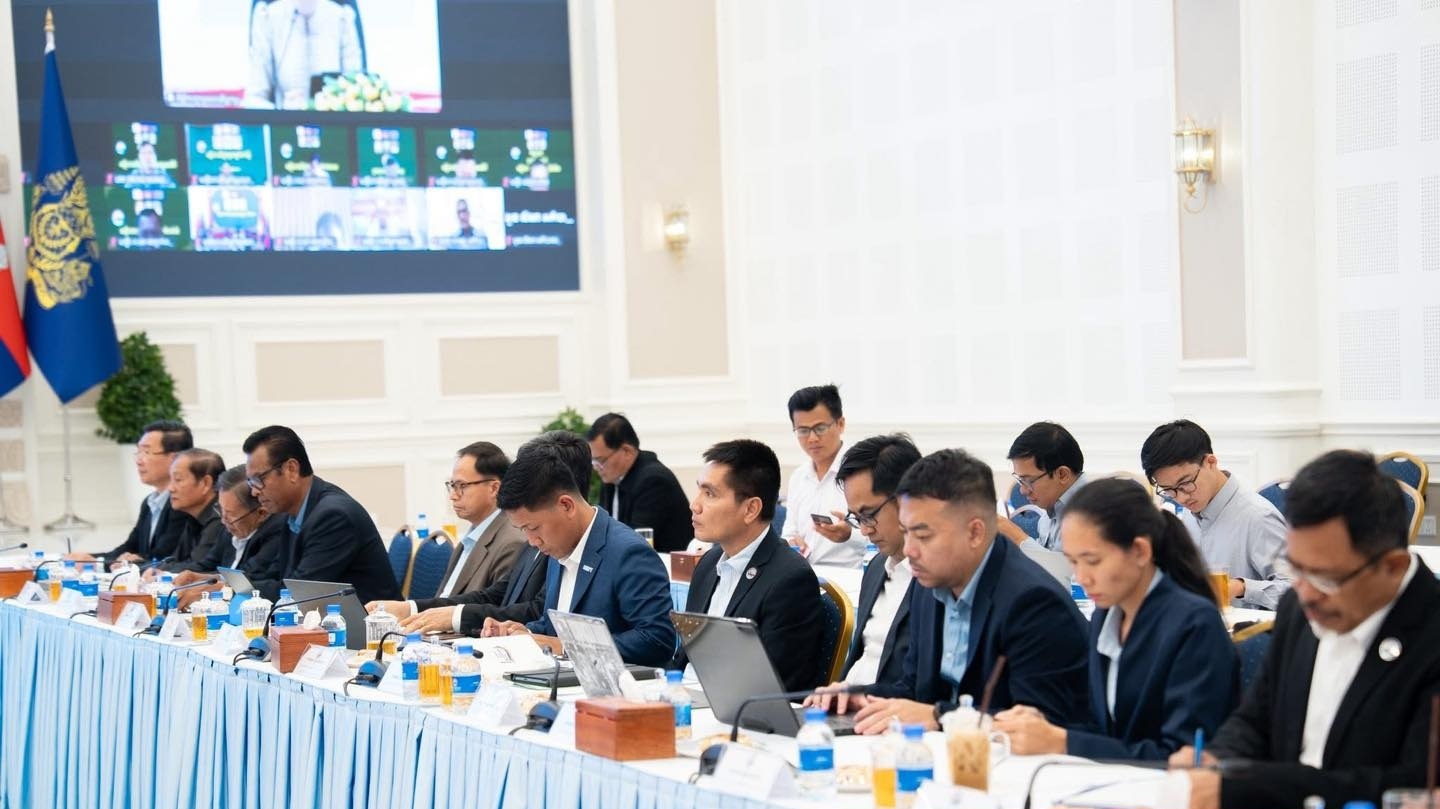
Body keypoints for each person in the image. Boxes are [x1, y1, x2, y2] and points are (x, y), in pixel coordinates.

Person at [1169, 450, 1440, 809]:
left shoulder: (1430, 636)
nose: (1307, 594)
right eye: (1296, 568)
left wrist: (1244, 786)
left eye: (1325, 578)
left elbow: (1409, 786)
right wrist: (1218, 759)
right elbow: (1255, 719)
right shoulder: (1297, 608)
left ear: (1392, 566)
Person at [992, 478, 1238, 760]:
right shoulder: (1107, 614)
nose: (1082, 578)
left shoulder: (1194, 625)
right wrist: (1046, 724)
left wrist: (1063, 742)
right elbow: (1103, 728)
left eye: (1092, 561)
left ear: (1140, 551)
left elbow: (1182, 756)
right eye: (1073, 562)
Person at [849, 448, 1089, 734]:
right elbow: (913, 689)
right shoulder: (928, 584)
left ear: (975, 533)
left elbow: (1036, 728)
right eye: (906, 532)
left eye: (923, 535)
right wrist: (858, 697)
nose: (910, 550)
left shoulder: (1033, 603)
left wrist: (940, 716)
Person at [481, 432, 676, 666]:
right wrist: (524, 633)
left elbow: (657, 640)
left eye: (533, 527)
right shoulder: (559, 546)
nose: (532, 541)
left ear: (566, 505)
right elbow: (556, 625)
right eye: (523, 530)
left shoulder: (628, 553)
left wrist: (565, 647)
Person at [672, 440, 823, 691]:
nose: (694, 505)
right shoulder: (708, 564)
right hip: (687, 696)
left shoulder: (789, 579)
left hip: (733, 707)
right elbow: (684, 659)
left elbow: (771, 686)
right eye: (699, 490)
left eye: (710, 494)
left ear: (751, 509)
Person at [363, 442, 528, 634]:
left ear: (494, 488)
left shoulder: (511, 542)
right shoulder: (472, 535)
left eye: (462, 486)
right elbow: (447, 599)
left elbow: (496, 613)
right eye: (452, 485)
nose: (453, 496)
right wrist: (409, 609)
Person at [810, 435, 922, 710]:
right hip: (849, 710)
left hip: (891, 716)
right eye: (856, 518)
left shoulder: (939, 579)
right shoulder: (875, 568)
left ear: (908, 499)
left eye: (869, 514)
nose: (864, 530)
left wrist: (865, 698)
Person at [1141, 420, 1291, 609]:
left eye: (1185, 483)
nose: (1180, 498)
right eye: (1168, 490)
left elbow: (1296, 591)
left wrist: (1241, 587)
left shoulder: (1258, 517)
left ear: (1210, 462)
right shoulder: (1190, 512)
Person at [241, 425, 400, 603]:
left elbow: (301, 594)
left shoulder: (333, 516)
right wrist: (233, 586)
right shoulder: (292, 513)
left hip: (367, 619)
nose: (254, 491)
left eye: (258, 479)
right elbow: (276, 575)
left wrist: (238, 590)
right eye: (250, 482)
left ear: (291, 469)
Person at [67, 421, 192, 566]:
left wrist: (98, 564)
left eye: (146, 452)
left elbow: (162, 557)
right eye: (138, 452)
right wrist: (90, 559)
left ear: (175, 459)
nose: (139, 461)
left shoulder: (183, 503)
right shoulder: (149, 502)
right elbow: (130, 548)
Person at [173, 465, 289, 607]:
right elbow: (208, 564)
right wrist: (199, 577)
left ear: (261, 513)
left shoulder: (277, 531)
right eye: (221, 510)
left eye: (230, 515)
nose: (223, 521)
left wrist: (219, 589)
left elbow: (253, 575)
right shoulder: (229, 527)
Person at [780, 384, 868, 566]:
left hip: (851, 575)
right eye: (803, 431)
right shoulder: (798, 477)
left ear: (840, 424)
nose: (812, 438)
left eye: (820, 428)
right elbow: (788, 534)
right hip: (805, 574)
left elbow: (886, 538)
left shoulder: (862, 472)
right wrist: (791, 543)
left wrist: (850, 535)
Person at [587, 413, 693, 552]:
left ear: (626, 451)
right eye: (593, 461)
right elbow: (602, 528)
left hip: (666, 562)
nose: (596, 467)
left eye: (601, 460)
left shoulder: (654, 481)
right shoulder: (611, 477)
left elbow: (635, 540)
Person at [246, 0, 363, 110]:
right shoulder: (267, 16)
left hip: (333, 121)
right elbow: (255, 98)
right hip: (283, 121)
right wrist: (281, 112)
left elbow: (356, 93)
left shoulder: (342, 17)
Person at [1008, 421, 1089, 551]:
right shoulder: (1051, 507)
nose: (1023, 491)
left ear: (1062, 474)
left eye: (1029, 481)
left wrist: (1017, 537)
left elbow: (1066, 564)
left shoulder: (1094, 514)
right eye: (1020, 480)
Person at [160, 449, 228, 573]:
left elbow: (197, 569)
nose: (170, 488)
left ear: (206, 483)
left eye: (178, 479)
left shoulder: (221, 518)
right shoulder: (193, 516)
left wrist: (159, 570)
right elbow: (175, 560)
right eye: (171, 480)